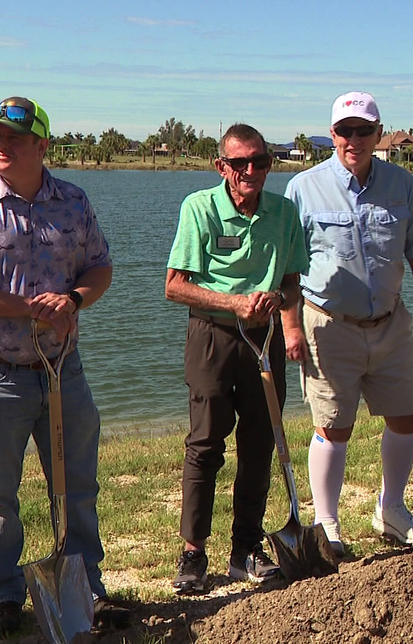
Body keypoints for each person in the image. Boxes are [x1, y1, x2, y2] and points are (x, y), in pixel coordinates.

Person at [0, 96, 128, 634]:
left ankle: (85, 586)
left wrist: (74, 301)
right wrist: (27, 308)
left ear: (41, 145)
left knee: (75, 485)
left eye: (12, 138)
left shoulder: (73, 201)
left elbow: (100, 266)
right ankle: (5, 594)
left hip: (64, 369)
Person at [282, 91, 413, 555]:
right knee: (334, 425)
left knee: (407, 416)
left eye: (363, 131)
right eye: (343, 131)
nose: (353, 139)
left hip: (390, 322)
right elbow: (287, 268)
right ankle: (327, 523)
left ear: (379, 135)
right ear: (332, 134)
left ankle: (391, 508)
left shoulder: (402, 184)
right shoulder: (303, 188)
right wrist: (291, 327)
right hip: (329, 324)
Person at [164, 124, 310, 594]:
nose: (251, 171)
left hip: (263, 339)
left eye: (260, 162)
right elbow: (174, 285)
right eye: (241, 163)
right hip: (212, 336)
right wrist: (235, 302)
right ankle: (193, 552)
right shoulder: (199, 208)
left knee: (259, 444)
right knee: (205, 444)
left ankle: (245, 548)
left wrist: (275, 299)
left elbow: (292, 285)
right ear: (222, 166)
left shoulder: (284, 212)